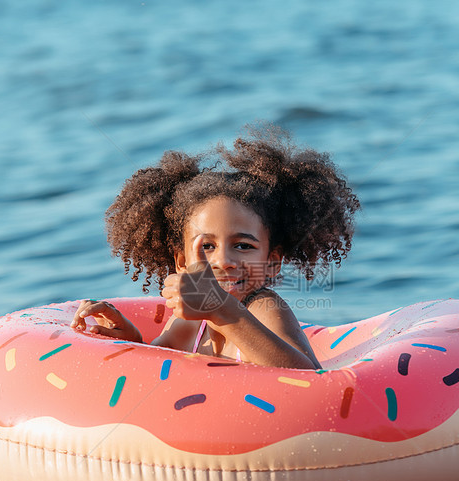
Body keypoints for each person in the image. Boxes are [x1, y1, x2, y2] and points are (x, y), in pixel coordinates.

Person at [70, 124, 359, 369]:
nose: (224, 260)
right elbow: (157, 363)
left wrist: (221, 309)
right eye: (207, 245)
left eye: (243, 246)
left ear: (272, 262)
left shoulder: (264, 308)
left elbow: (310, 378)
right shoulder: (189, 322)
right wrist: (130, 339)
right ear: (182, 263)